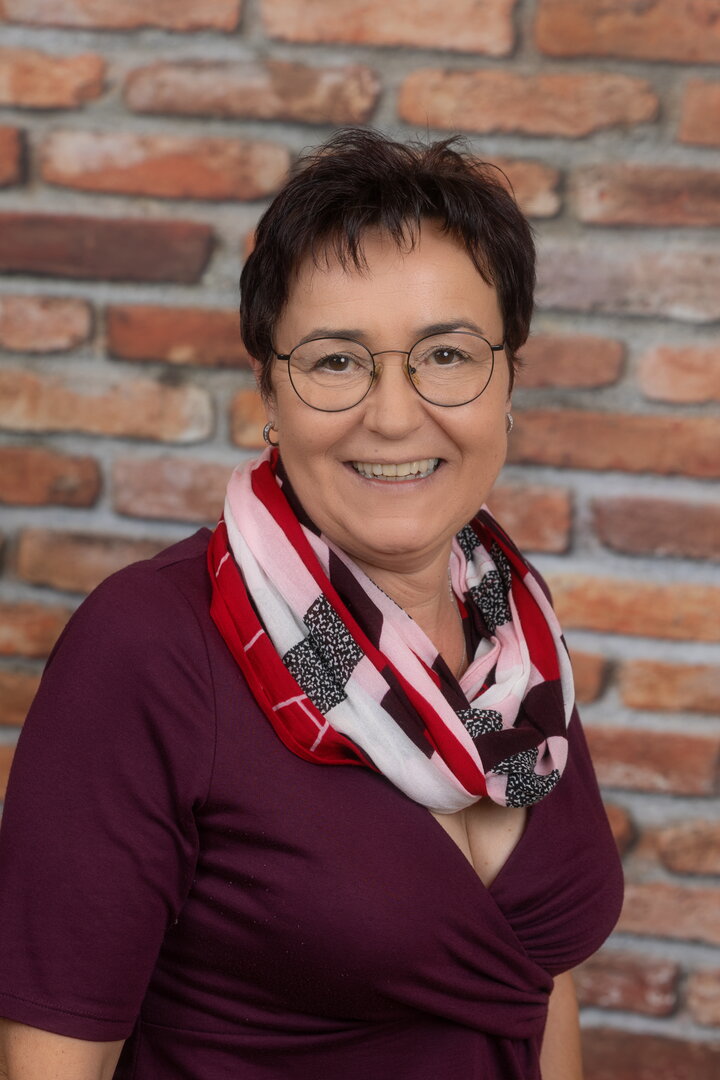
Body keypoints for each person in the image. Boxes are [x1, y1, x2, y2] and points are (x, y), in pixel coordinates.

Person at [0, 128, 623, 1080]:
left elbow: (541, 987)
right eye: (336, 362)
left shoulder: (518, 637)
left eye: (446, 354)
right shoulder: (150, 649)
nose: (395, 414)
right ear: (269, 391)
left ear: (508, 381)